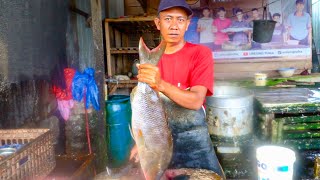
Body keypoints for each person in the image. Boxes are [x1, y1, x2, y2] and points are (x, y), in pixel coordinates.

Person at [131, 0, 226, 179]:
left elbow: (196, 101)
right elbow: (144, 112)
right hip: (160, 149)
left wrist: (161, 85)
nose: (174, 26)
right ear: (158, 23)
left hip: (196, 148)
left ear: (187, 24)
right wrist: (142, 142)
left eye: (180, 20)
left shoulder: (200, 54)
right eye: (168, 19)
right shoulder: (150, 63)